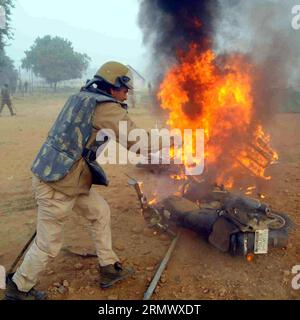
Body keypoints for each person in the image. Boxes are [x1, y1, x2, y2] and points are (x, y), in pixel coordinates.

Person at [4, 61, 160, 300]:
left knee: (99, 212)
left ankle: (108, 267)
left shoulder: (82, 97)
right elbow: (139, 142)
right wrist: (174, 141)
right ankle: (19, 287)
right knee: (48, 244)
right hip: (59, 183)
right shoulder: (106, 107)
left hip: (66, 176)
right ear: (113, 85)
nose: (127, 92)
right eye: (125, 88)